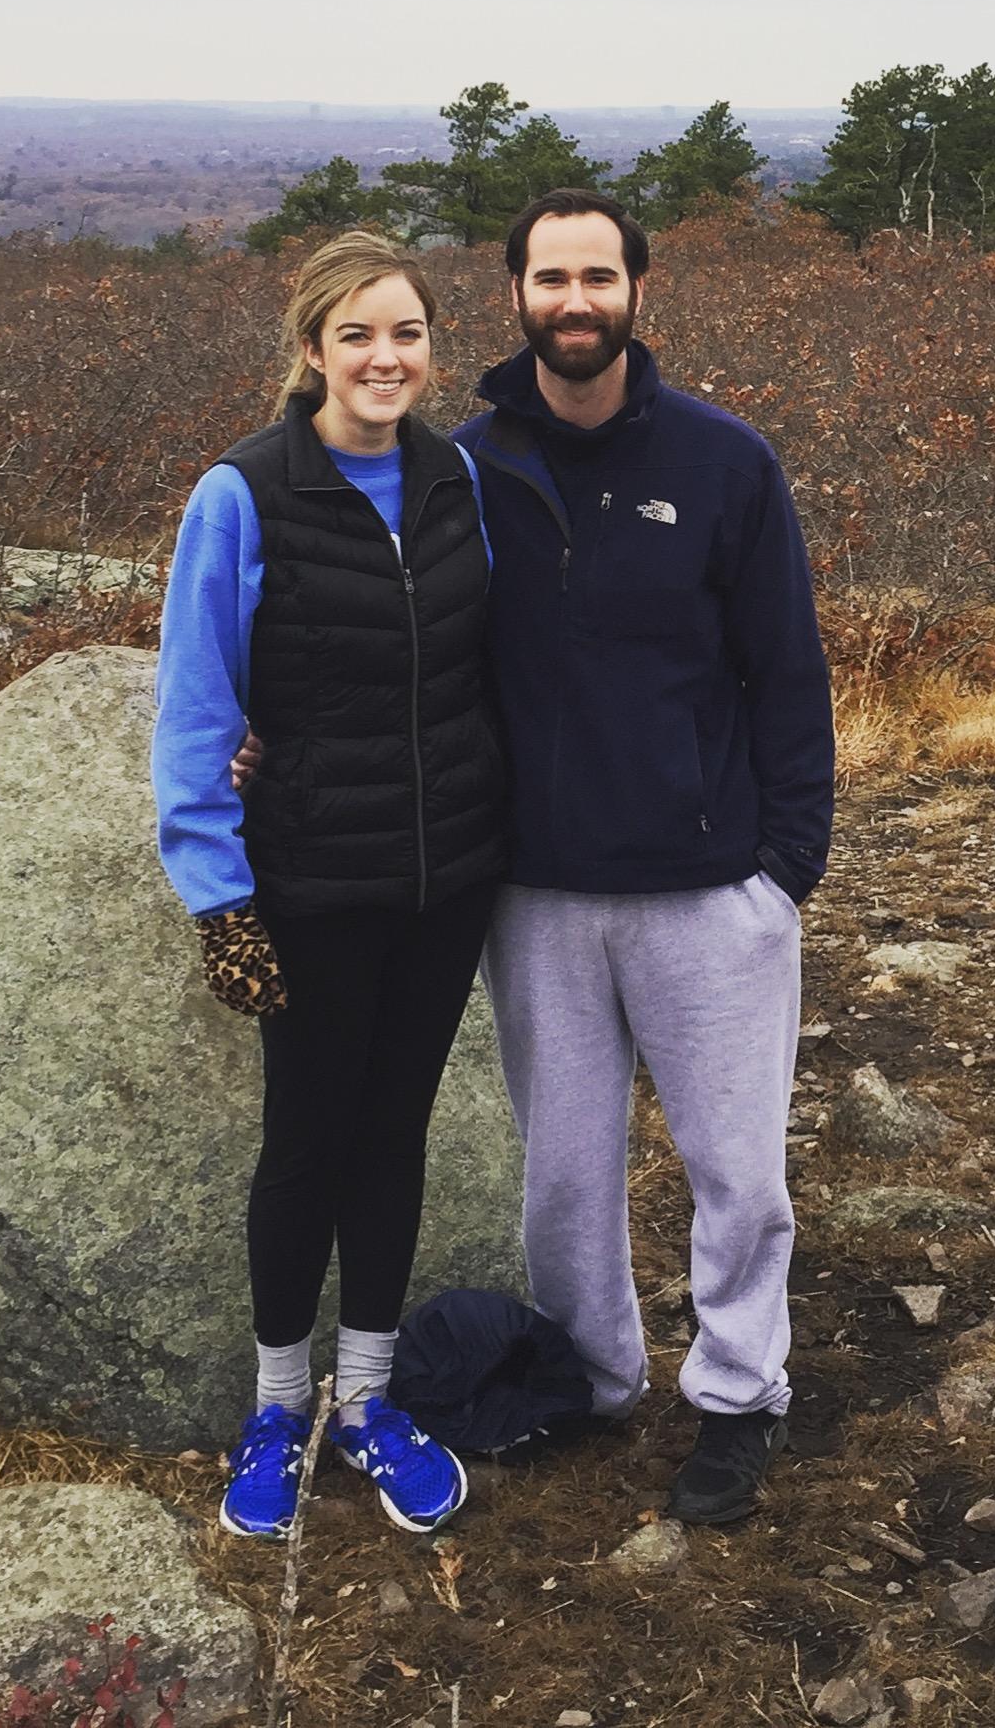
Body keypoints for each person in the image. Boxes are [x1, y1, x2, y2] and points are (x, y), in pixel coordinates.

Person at [457, 188, 834, 1525]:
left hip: (707, 890)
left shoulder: (726, 463)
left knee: (738, 1170)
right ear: (513, 295)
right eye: (549, 276)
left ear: (636, 292)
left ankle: (738, 1398)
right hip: (536, 891)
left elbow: (787, 671)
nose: (575, 300)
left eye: (597, 277)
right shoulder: (464, 469)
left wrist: (783, 869)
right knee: (563, 1176)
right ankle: (593, 1379)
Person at [152, 229, 507, 1540]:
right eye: (355, 334)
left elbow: (492, 666)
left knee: (394, 1133)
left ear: (432, 350)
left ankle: (366, 1402)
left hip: (446, 875)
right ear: (311, 352)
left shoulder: (459, 480)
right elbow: (195, 709)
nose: (384, 357)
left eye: (405, 333)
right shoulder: (242, 495)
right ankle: (276, 1406)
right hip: (309, 880)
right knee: (306, 1142)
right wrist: (219, 895)